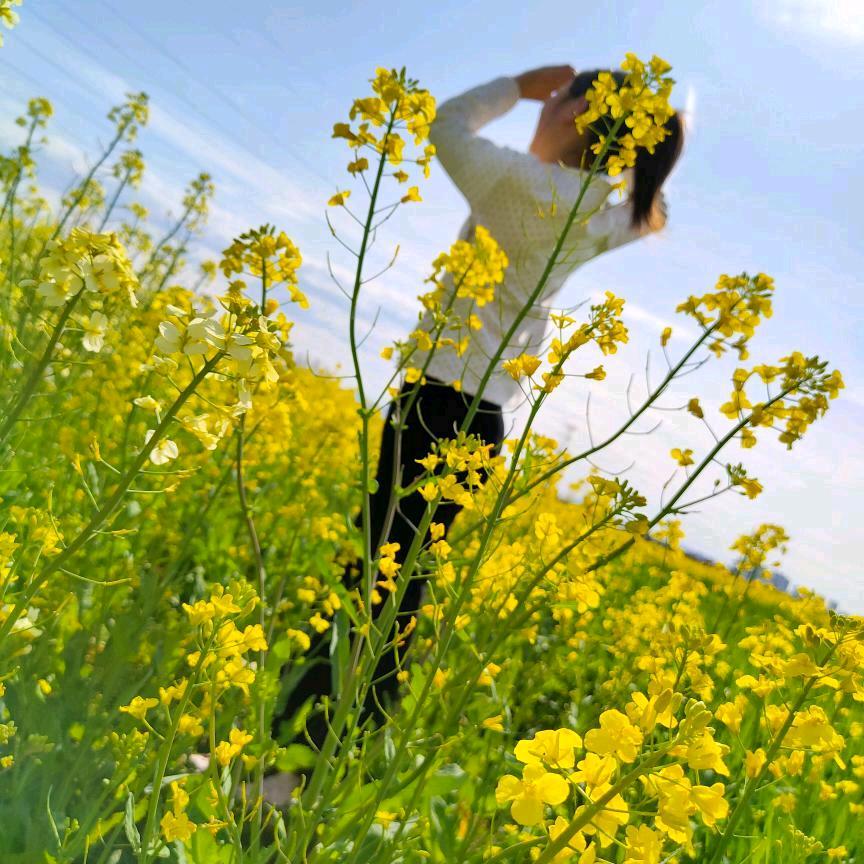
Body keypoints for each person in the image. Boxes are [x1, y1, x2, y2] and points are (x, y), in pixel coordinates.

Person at [269, 64, 685, 784]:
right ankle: (331, 766)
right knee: (399, 589)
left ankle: (285, 770)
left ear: (577, 114)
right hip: (482, 413)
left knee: (371, 581)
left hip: (438, 399)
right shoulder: (605, 215)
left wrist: (518, 85)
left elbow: (444, 121)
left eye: (560, 99)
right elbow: (656, 210)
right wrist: (633, 143)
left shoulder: (520, 184)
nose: (545, 104)